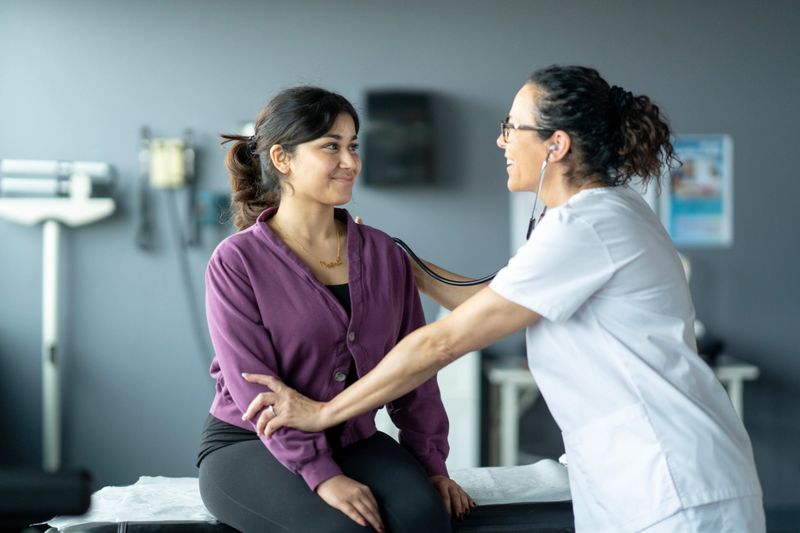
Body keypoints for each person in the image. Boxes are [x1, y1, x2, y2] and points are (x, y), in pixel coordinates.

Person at [240, 67, 765, 532]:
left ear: (556, 145)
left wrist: (323, 413)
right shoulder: (596, 214)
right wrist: (396, 261)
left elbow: (442, 342)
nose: (501, 140)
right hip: (636, 473)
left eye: (512, 127)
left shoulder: (590, 225)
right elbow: (492, 299)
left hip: (671, 477)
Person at [197, 86, 472, 533]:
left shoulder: (384, 254)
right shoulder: (237, 261)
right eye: (331, 146)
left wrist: (432, 465)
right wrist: (322, 475)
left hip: (352, 437)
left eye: (353, 146)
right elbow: (255, 391)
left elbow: (415, 373)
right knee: (344, 529)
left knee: (426, 518)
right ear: (282, 159)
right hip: (252, 443)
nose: (350, 162)